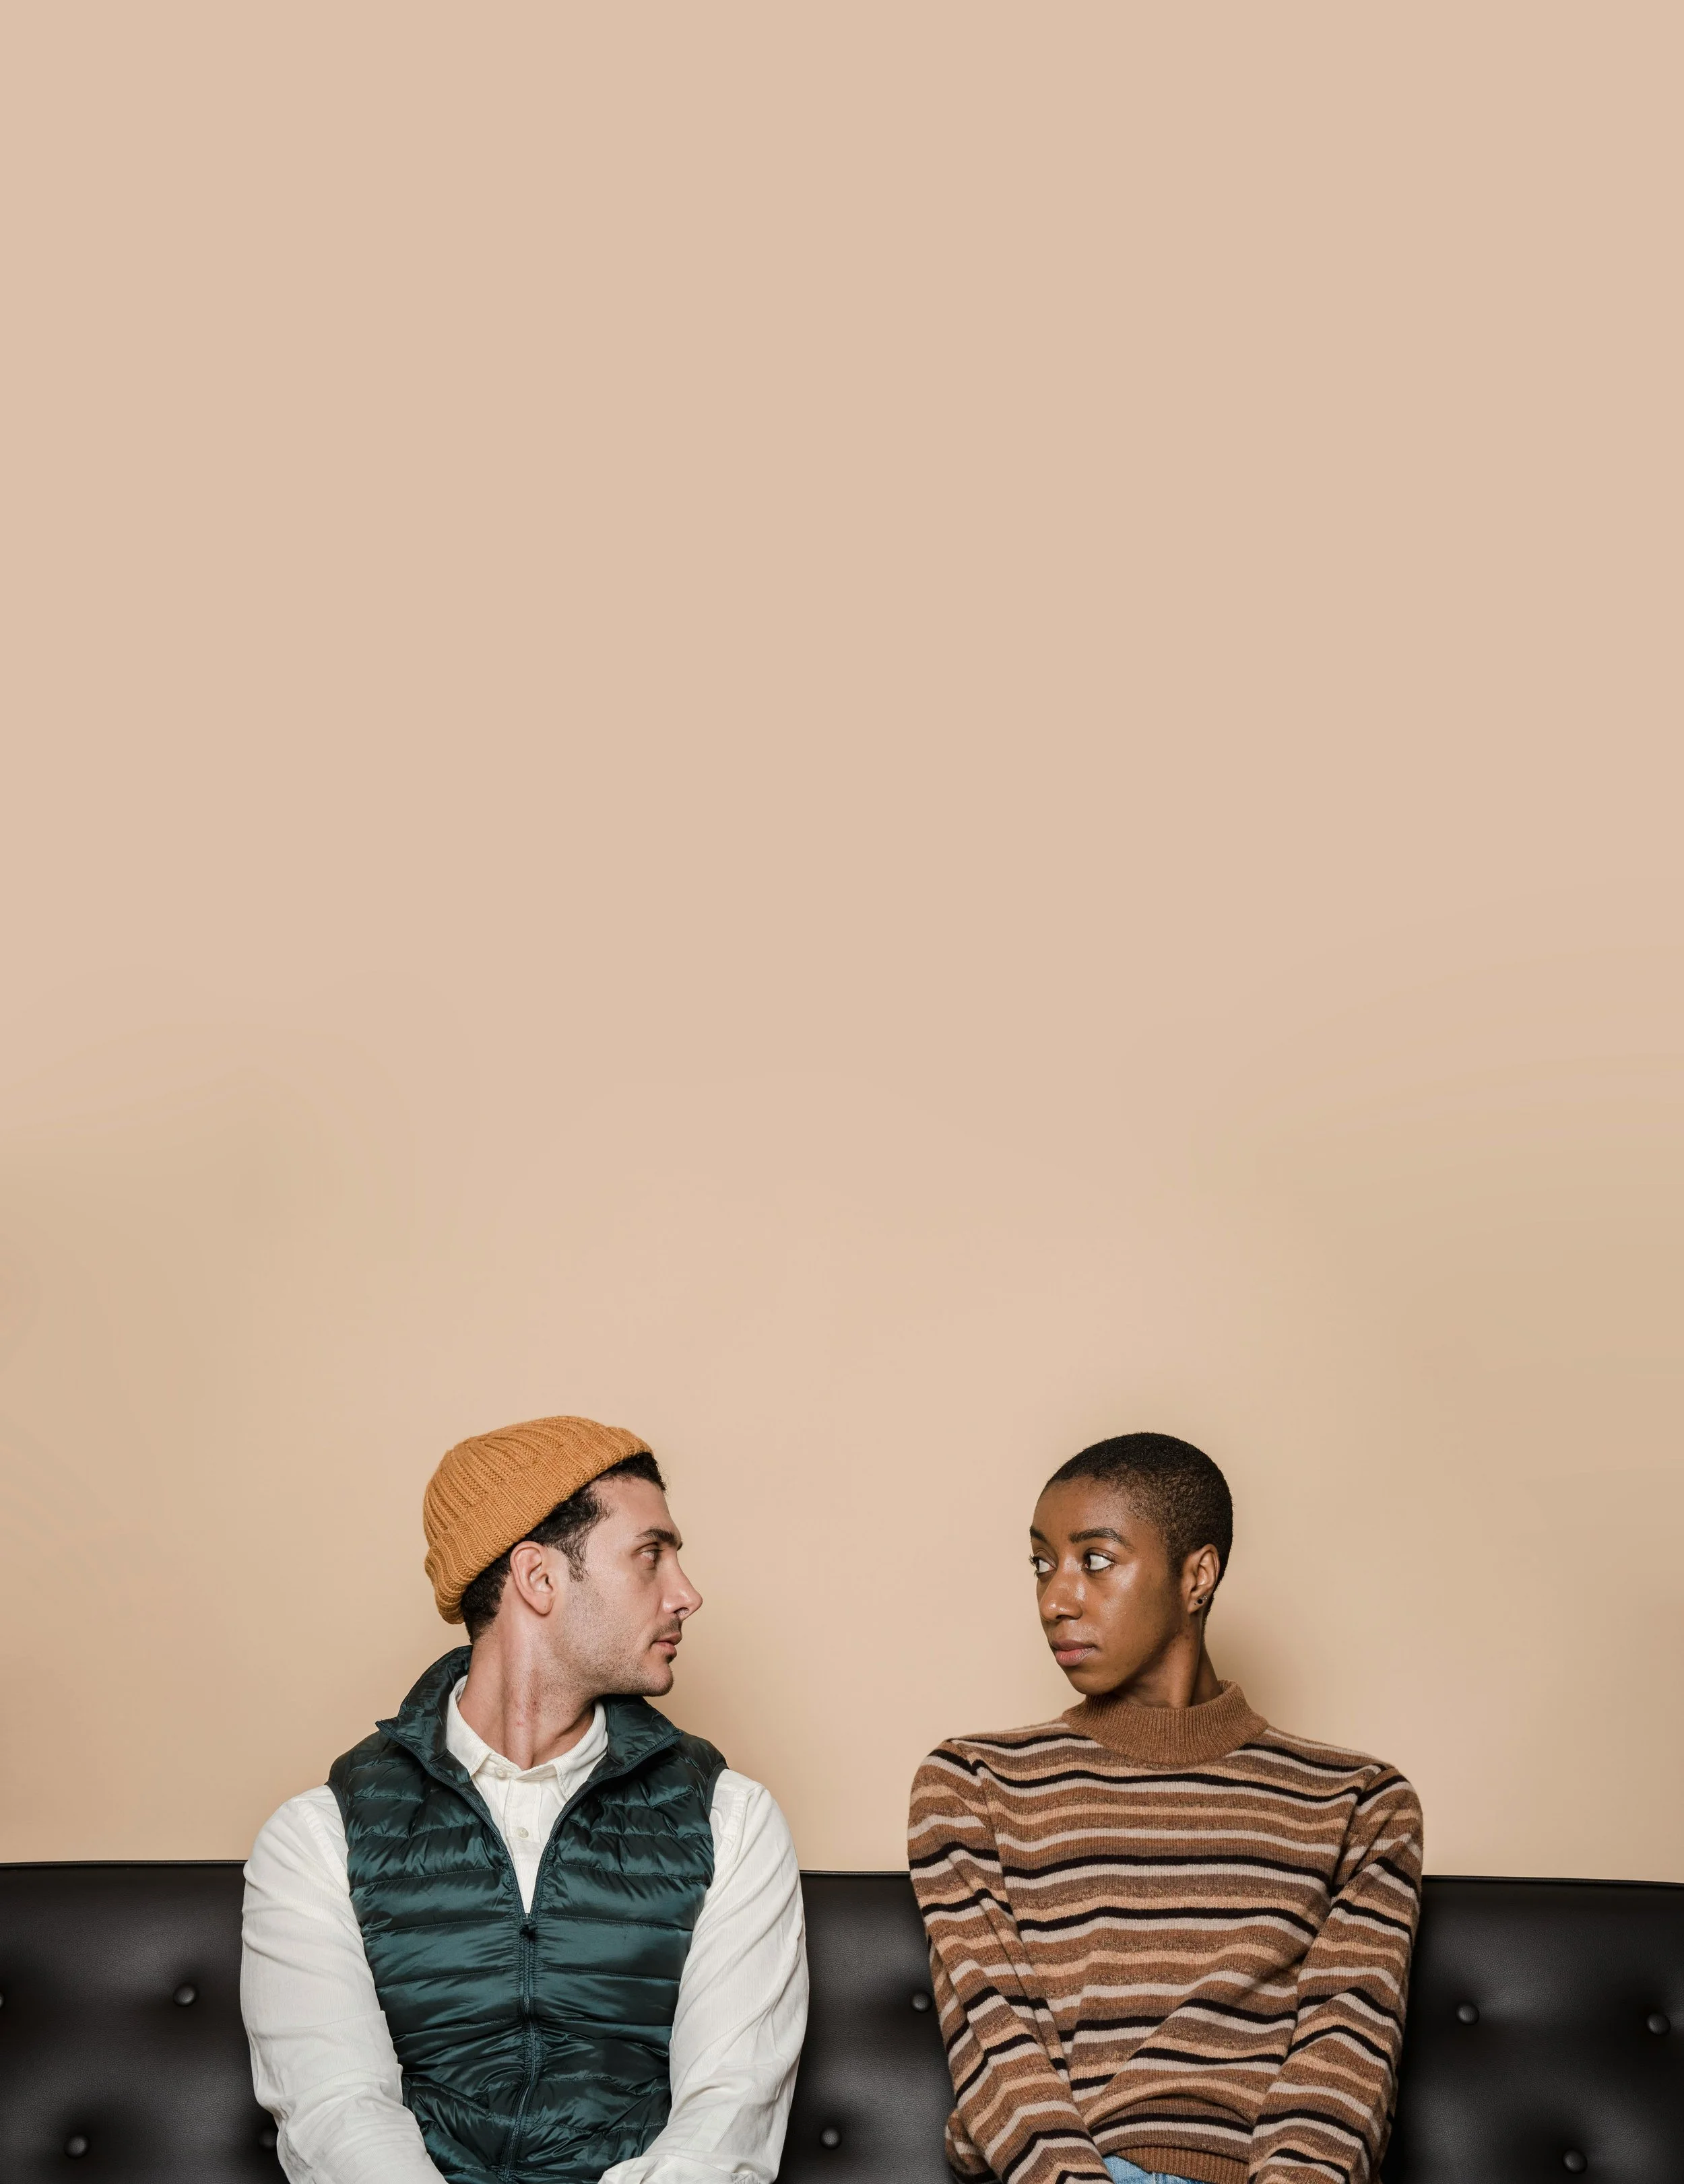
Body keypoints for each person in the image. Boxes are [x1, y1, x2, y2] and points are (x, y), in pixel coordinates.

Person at [242, 1414, 807, 2184]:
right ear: (539, 1578)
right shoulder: (318, 1836)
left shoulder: (730, 1819)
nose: (687, 1594)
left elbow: (725, 2123)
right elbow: (338, 2116)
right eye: (651, 1555)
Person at [909, 1432, 1422, 2184]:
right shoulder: (973, 1783)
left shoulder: (1359, 1802)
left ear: (1197, 1576)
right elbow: (999, 2050)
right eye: (1042, 1565)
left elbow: (1343, 2069)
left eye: (1095, 1560)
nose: (1055, 1599)